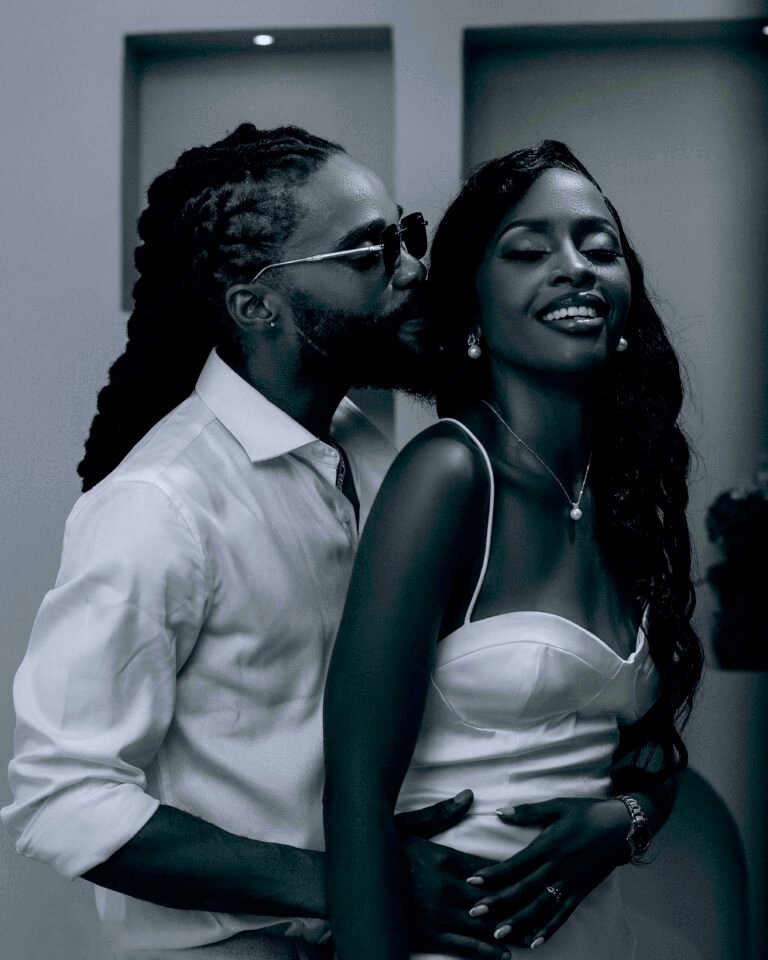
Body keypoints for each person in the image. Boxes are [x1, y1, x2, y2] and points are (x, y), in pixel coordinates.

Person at [2, 124, 513, 960]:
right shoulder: (158, 506)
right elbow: (61, 799)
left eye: (405, 234)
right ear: (256, 305)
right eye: (370, 252)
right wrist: (357, 879)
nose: (412, 270)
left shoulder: (370, 448)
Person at [323, 140, 705, 959]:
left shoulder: (627, 493)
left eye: (598, 248)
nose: (574, 269)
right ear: (472, 312)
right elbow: (354, 794)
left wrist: (624, 820)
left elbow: (651, 753)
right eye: (529, 252)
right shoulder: (448, 476)